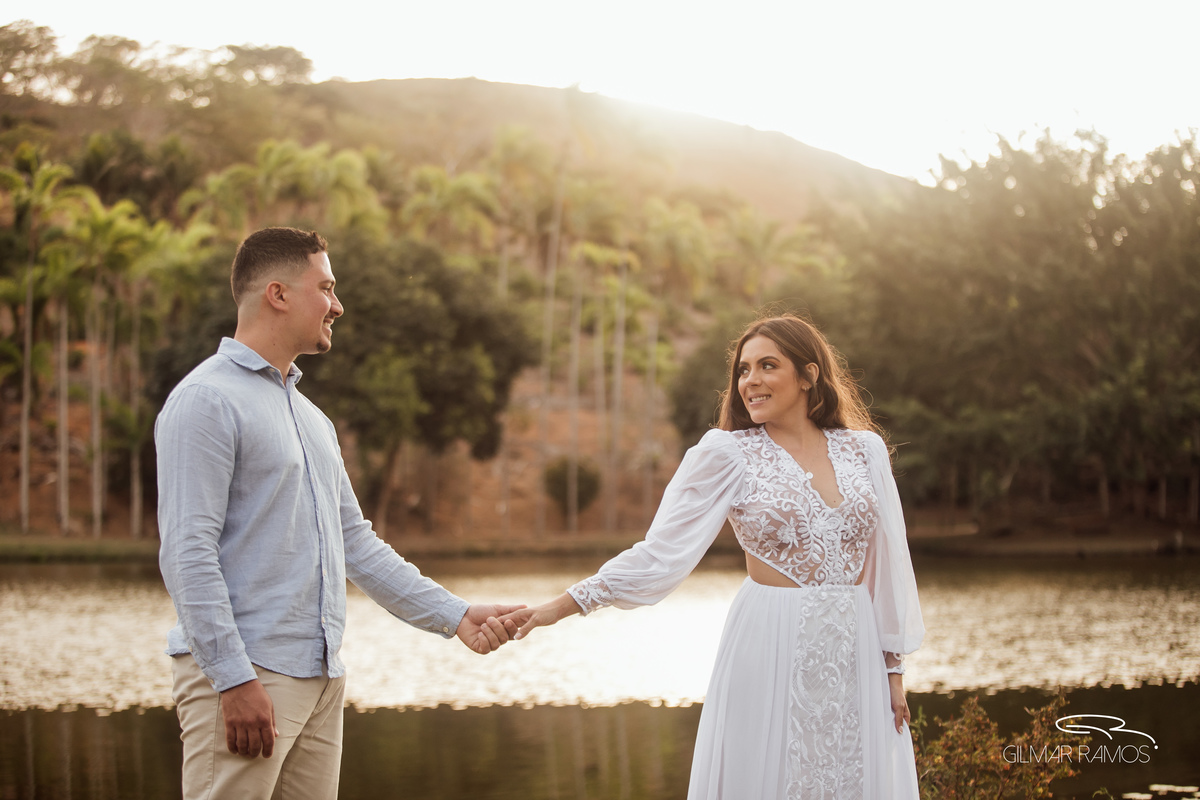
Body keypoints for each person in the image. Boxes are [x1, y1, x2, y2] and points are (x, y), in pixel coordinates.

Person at [156, 227, 522, 800]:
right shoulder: (206, 401)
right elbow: (187, 553)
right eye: (326, 288)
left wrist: (455, 615)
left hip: (321, 677)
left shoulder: (312, 420)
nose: (338, 305)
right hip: (249, 676)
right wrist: (233, 679)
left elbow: (358, 545)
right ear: (277, 294)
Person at [502, 314, 925, 799]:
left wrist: (892, 671)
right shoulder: (728, 454)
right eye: (743, 370)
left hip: (854, 645)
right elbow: (659, 554)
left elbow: (887, 564)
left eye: (768, 366)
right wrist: (560, 606)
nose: (751, 381)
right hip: (769, 640)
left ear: (809, 375)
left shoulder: (864, 451)